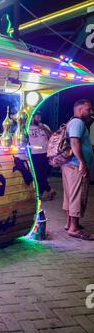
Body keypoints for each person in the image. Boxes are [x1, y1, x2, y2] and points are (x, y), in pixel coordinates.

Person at [62, 99, 93, 240]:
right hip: (75, 165)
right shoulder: (77, 122)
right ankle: (74, 228)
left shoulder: (72, 122)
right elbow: (74, 142)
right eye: (88, 109)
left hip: (70, 165)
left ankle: (70, 224)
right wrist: (82, 162)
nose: (91, 112)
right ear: (80, 110)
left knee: (70, 195)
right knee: (77, 195)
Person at [29, 111, 54, 201]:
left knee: (43, 175)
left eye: (40, 117)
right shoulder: (27, 128)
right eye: (37, 117)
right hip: (34, 154)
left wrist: (44, 129)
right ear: (32, 118)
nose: (39, 119)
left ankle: (41, 193)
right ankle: (49, 190)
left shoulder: (44, 126)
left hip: (45, 154)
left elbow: (52, 137)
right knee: (37, 175)